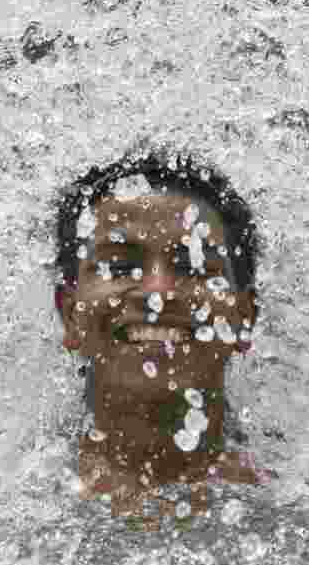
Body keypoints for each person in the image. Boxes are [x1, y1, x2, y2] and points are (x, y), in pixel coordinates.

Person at [51, 146, 275, 526]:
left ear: (244, 316)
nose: (157, 294)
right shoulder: (0, 510)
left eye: (193, 266)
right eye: (121, 265)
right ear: (71, 314)